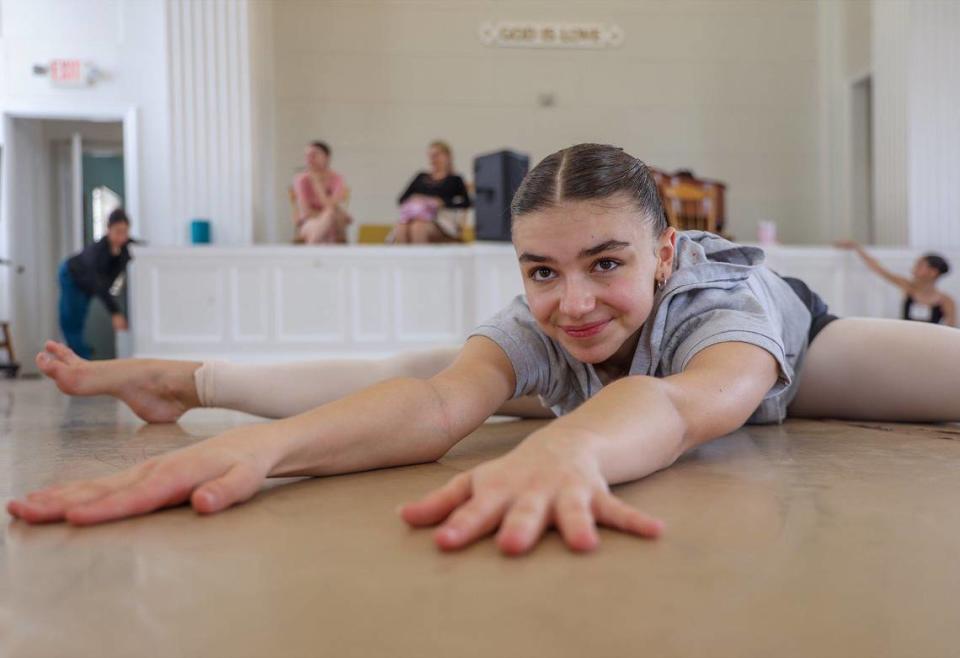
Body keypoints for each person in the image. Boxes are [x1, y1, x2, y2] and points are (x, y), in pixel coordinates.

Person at [11, 144, 960, 558]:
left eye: (606, 262)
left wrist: (568, 444)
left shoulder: (720, 299)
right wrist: (260, 449)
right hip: (607, 383)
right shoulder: (546, 316)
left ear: (664, 253)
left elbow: (677, 407)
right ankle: (182, 381)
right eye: (542, 270)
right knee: (413, 368)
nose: (573, 300)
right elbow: (435, 406)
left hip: (803, 352)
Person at [57, 208, 133, 359]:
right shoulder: (97, 252)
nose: (122, 236)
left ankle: (81, 359)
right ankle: (83, 361)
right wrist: (115, 313)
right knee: (71, 320)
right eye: (118, 231)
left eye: (125, 232)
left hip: (88, 285)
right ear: (109, 230)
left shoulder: (125, 250)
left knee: (80, 317)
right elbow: (100, 284)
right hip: (71, 276)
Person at [835, 241, 955, 326]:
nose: (914, 268)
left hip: (929, 344)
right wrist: (857, 248)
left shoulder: (946, 301)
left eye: (920, 265)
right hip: (906, 339)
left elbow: (950, 329)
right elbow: (880, 269)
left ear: (933, 272)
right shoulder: (908, 287)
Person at [394, 140, 471, 243]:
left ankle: (422, 258)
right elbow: (401, 199)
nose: (433, 159)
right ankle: (407, 258)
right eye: (431, 155)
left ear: (447, 156)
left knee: (418, 227)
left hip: (441, 220)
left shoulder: (455, 179)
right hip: (415, 216)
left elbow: (466, 203)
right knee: (401, 227)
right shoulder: (420, 177)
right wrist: (415, 199)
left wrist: (441, 202)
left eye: (437, 155)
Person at [293, 141, 352, 244]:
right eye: (307, 156)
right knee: (328, 219)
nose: (309, 159)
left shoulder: (337, 179)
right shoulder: (301, 180)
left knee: (329, 219)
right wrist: (335, 213)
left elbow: (329, 205)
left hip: (333, 225)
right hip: (309, 224)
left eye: (314, 154)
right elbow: (306, 212)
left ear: (327, 157)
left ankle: (312, 254)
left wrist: (317, 184)